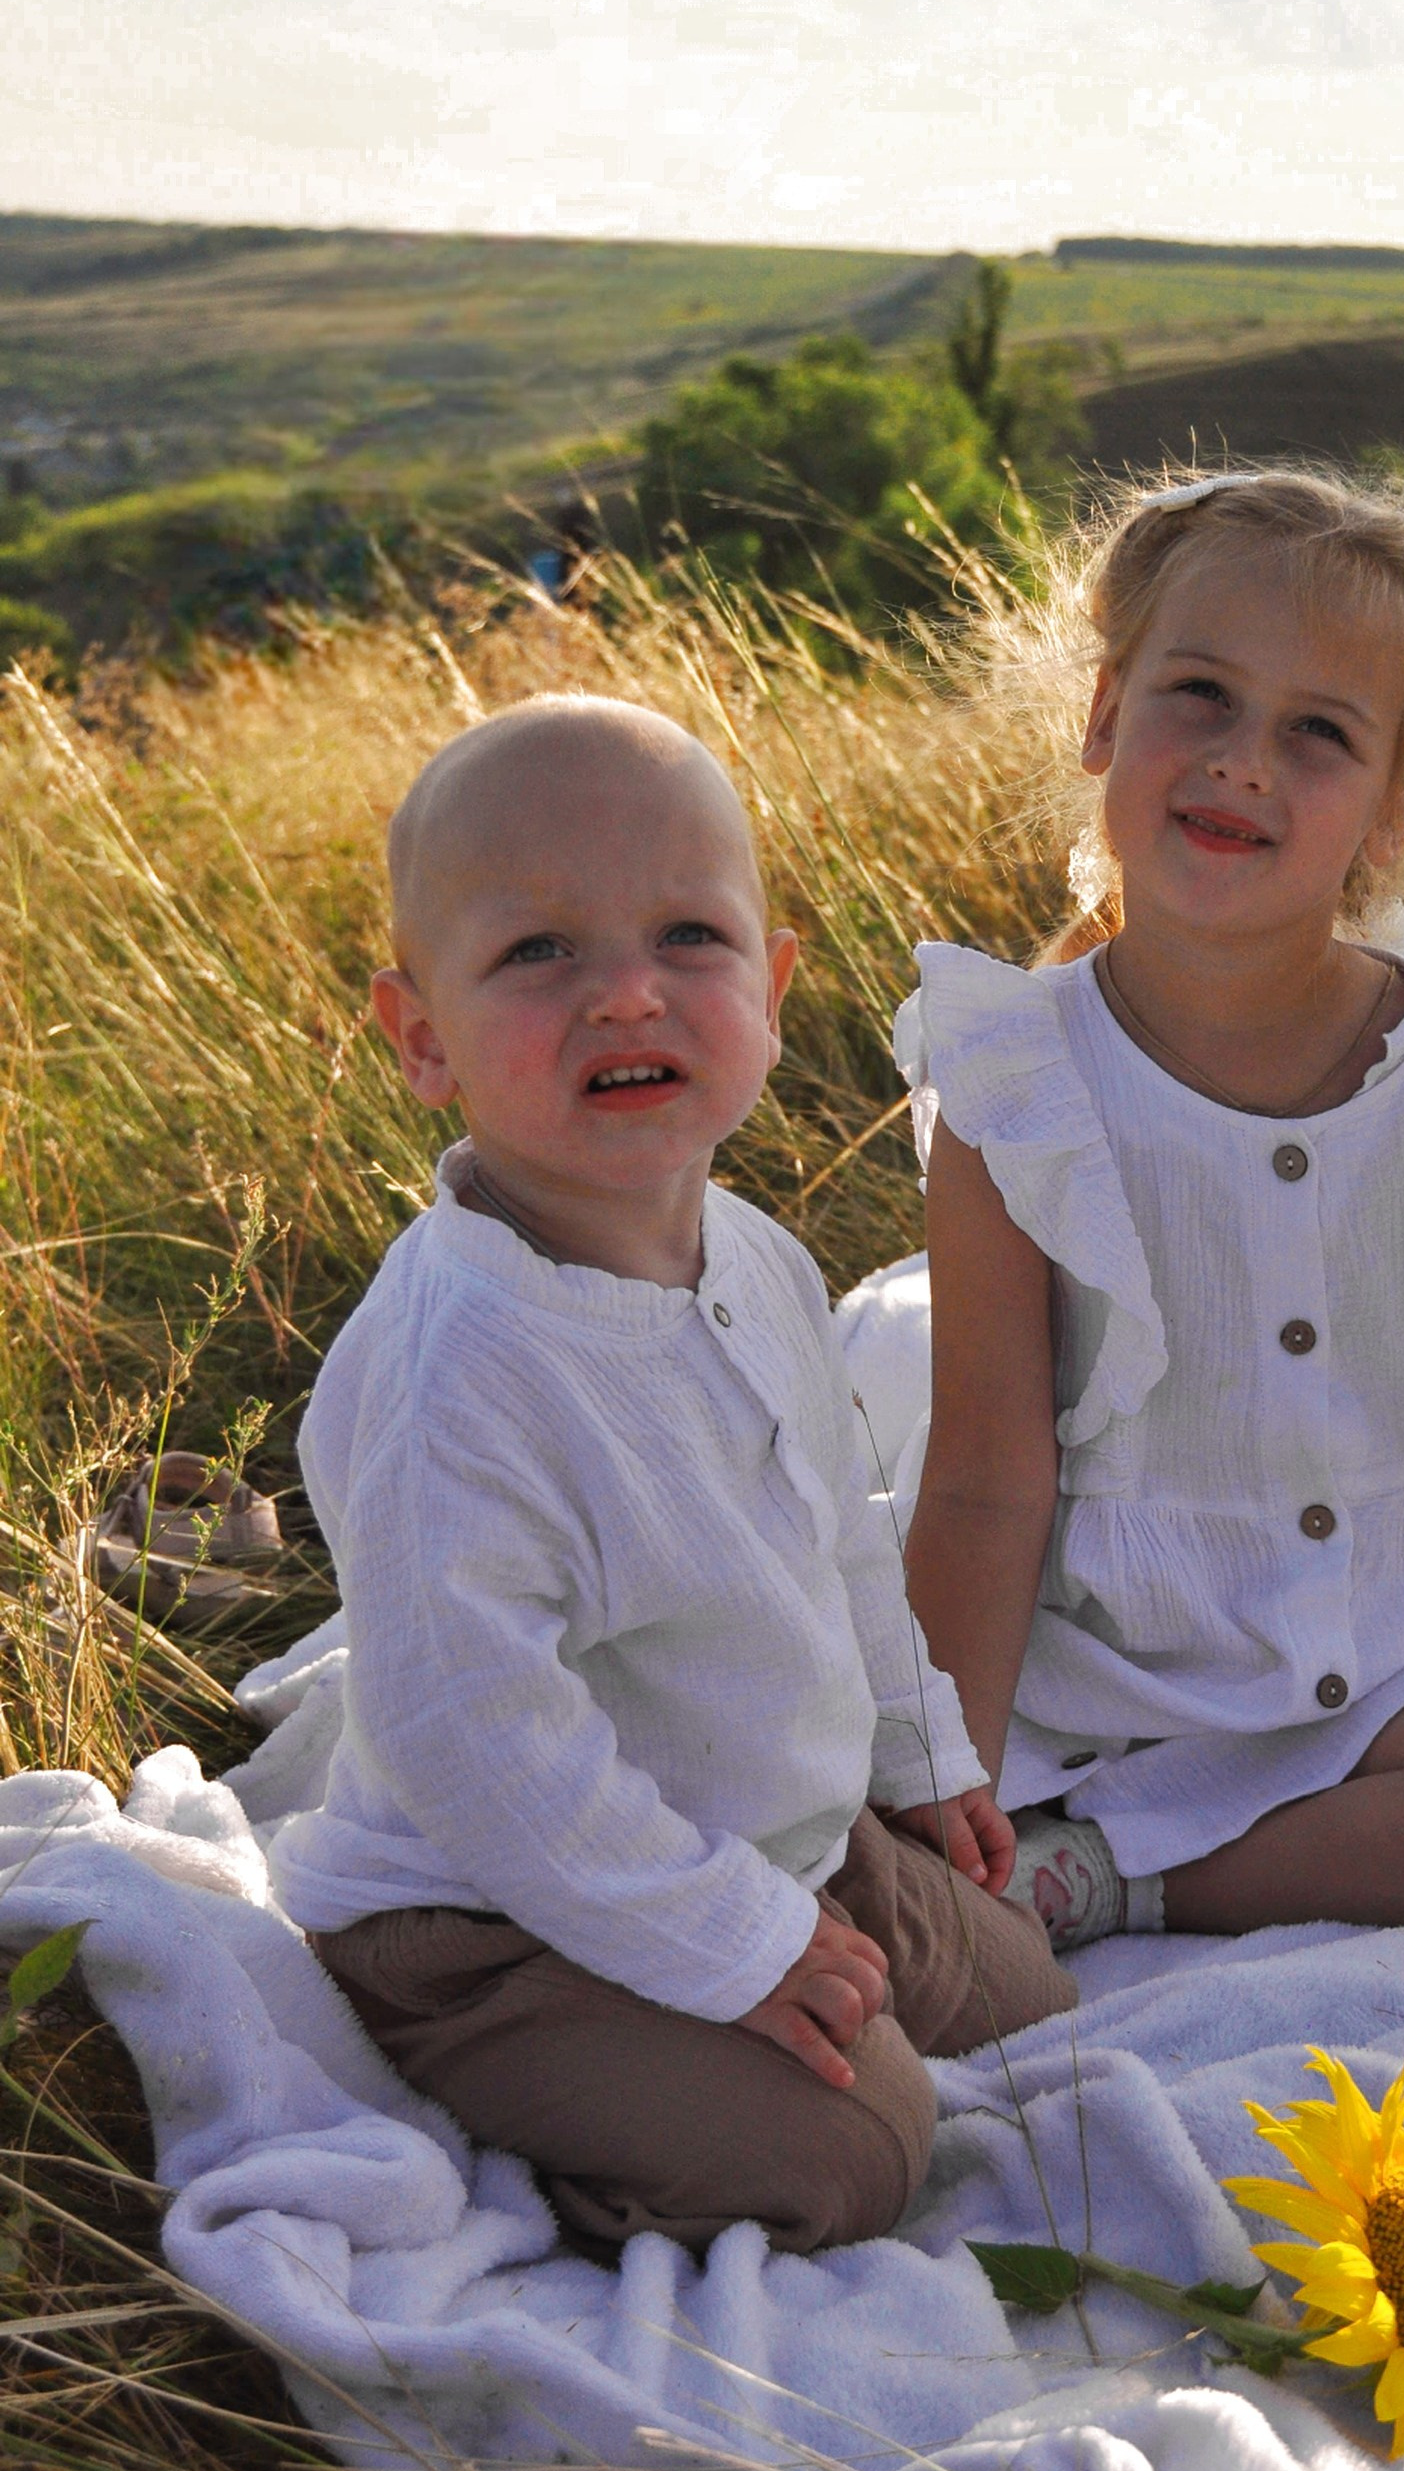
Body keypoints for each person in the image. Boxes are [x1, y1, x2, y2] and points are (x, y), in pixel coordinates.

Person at [274, 695, 1073, 2256]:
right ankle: (541, 2134)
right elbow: (480, 1745)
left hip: (770, 1824)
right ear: (421, 1034)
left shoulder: (758, 1261)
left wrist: (919, 1752)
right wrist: (728, 1944)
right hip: (497, 1914)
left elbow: (833, 1532)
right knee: (854, 2153)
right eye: (538, 954)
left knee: (1022, 1991)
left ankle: (782, 1945)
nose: (626, 994)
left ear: (771, 989)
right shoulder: (465, 1372)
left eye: (689, 937)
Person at [900, 470, 1404, 1955]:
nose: (1242, 764)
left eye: (1318, 733)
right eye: (1199, 697)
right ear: (1104, 717)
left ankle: (1116, 1882)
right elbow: (980, 1480)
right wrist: (934, 1787)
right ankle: (1067, 1831)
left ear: (1395, 801)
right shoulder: (1019, 1085)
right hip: (1113, 1677)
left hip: (1396, 1660)